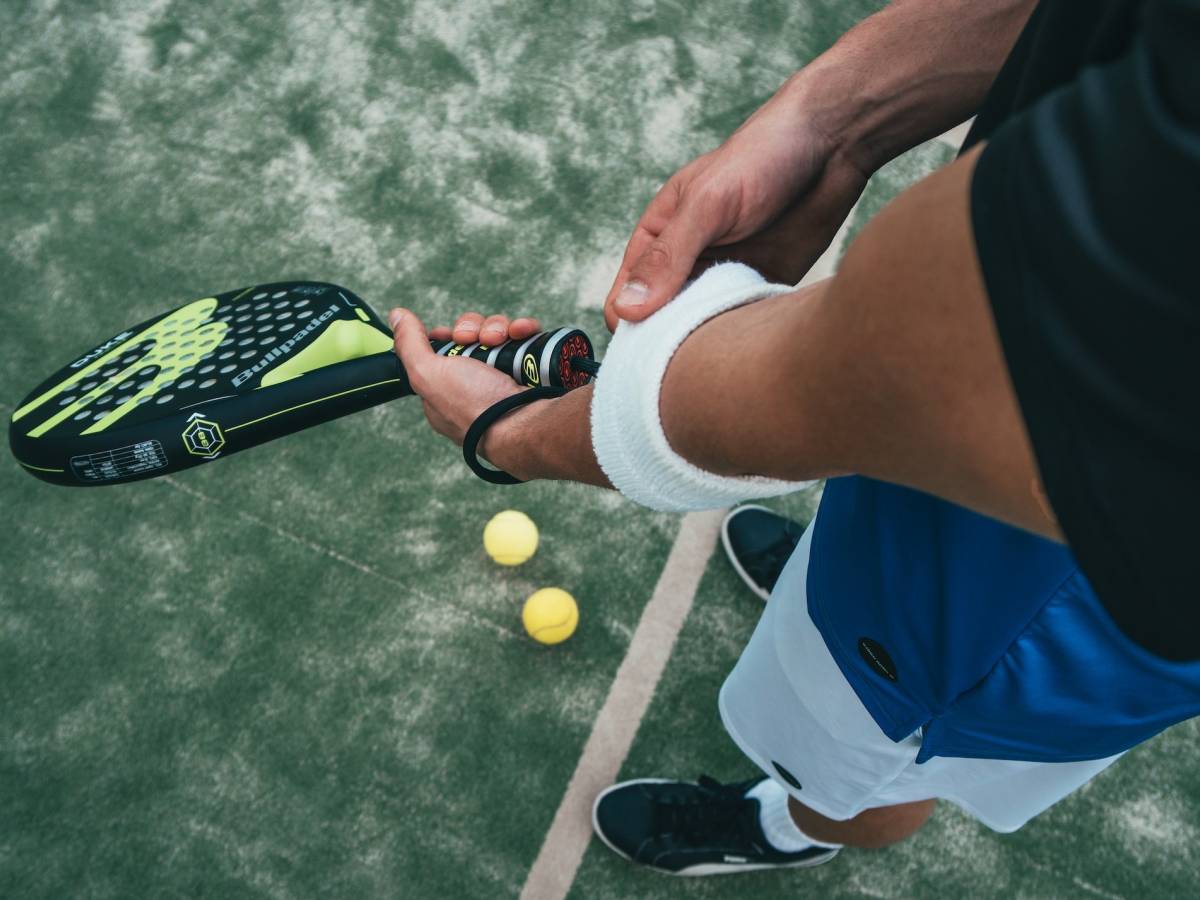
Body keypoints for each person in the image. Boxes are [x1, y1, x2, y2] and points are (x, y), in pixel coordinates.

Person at [389, 0, 1200, 877]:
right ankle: (827, 585)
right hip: (993, 454)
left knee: (870, 765)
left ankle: (797, 823)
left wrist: (511, 434)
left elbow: (889, 378)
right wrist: (830, 119)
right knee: (861, 548)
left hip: (1033, 602)